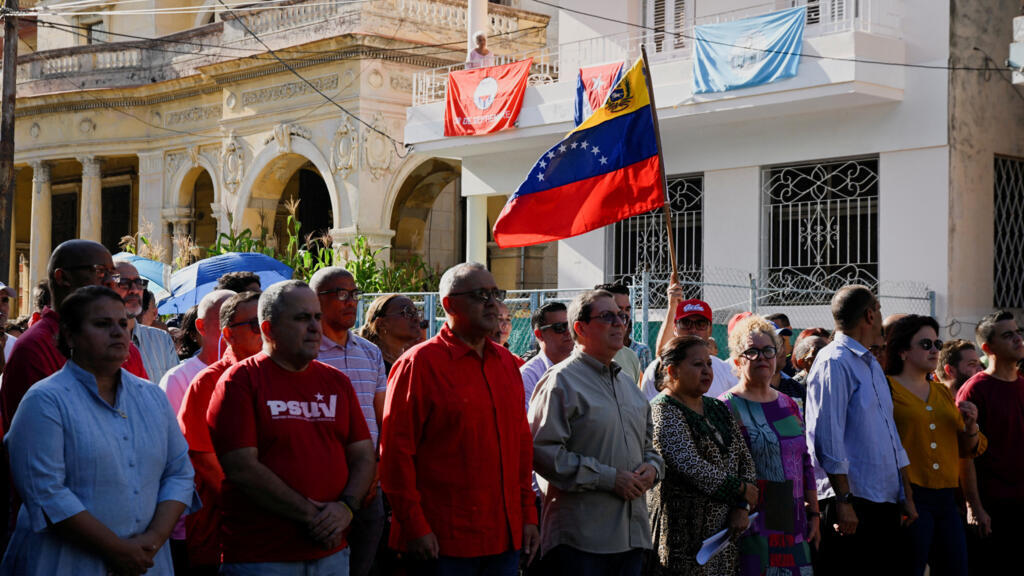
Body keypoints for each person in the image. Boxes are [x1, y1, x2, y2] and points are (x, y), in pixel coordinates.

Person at [1, 286, 196, 575]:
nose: (118, 332)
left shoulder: (152, 396)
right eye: (102, 324)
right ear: (70, 335)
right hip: (66, 564)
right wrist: (118, 550)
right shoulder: (45, 401)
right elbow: (46, 492)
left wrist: (153, 540)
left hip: (148, 561)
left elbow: (179, 473)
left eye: (123, 323)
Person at [207, 280, 375, 573]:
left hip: (331, 553)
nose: (315, 327)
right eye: (301, 318)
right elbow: (241, 467)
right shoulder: (240, 381)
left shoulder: (337, 382)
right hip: (263, 558)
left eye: (317, 317)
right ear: (269, 329)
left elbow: (363, 455)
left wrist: (346, 508)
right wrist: (315, 517)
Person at [381, 263, 538, 575]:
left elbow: (520, 448)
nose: (493, 304)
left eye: (496, 294)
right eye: (481, 295)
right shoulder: (419, 365)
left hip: (504, 540)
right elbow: (396, 456)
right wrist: (414, 525)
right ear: (449, 305)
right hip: (443, 542)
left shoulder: (507, 364)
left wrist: (528, 516)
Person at [530, 289, 664, 576]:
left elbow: (650, 449)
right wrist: (608, 478)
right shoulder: (561, 381)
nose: (619, 323)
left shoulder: (628, 385)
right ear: (580, 328)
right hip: (582, 543)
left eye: (622, 316)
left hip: (632, 539)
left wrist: (652, 469)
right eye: (607, 316)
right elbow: (542, 453)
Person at [805, 285, 917, 576]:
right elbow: (827, 438)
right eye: (879, 310)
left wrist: (905, 493)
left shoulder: (870, 364)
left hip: (883, 500)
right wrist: (843, 501)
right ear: (869, 315)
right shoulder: (834, 361)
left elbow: (890, 435)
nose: (880, 318)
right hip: (853, 504)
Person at [646, 336, 756, 575]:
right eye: (697, 364)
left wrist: (742, 506)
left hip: (723, 535)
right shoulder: (663, 410)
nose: (707, 371)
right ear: (673, 371)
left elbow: (745, 459)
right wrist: (740, 489)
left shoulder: (717, 407)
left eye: (709, 364)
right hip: (681, 537)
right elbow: (690, 465)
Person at [884, 315, 984, 576]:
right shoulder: (887, 388)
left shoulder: (941, 392)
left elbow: (967, 449)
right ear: (903, 351)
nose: (934, 350)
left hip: (946, 499)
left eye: (937, 344)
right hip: (908, 496)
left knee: (956, 569)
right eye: (926, 344)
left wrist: (971, 426)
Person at [721, 315, 819, 575]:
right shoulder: (725, 407)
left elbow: (805, 462)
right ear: (737, 360)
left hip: (794, 523)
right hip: (751, 526)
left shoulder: (789, 403)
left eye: (768, 350)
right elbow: (724, 471)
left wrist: (814, 514)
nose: (762, 357)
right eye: (752, 351)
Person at [176, 291, 263, 575]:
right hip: (224, 534)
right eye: (255, 324)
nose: (265, 330)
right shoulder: (208, 382)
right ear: (228, 334)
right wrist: (261, 508)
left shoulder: (280, 376)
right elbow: (205, 461)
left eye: (268, 321)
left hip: (278, 531)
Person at [311, 267, 387, 576]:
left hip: (369, 486)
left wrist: (376, 468)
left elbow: (383, 418)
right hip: (322, 485)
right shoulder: (307, 353)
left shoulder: (370, 352)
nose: (351, 301)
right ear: (316, 300)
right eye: (341, 294)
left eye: (354, 294)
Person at [955, 311, 1024, 574]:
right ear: (988, 348)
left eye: (1018, 332)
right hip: (992, 508)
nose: (1018, 339)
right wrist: (974, 506)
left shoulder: (1022, 385)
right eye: (1008, 335)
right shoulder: (975, 390)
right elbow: (964, 454)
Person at [642, 298, 737, 400]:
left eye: (700, 324)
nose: (693, 329)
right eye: (685, 323)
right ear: (675, 328)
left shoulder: (725, 370)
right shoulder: (656, 370)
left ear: (710, 330)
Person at [113, 260, 178, 384]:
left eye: (139, 283)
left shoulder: (162, 340)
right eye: (124, 283)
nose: (134, 290)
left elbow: (174, 389)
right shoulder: (93, 343)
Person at [519, 301, 574, 411]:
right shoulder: (528, 376)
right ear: (539, 334)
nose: (568, 332)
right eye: (559, 327)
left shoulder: (584, 366)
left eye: (569, 325)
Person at [359, 294, 423, 373]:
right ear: (381, 323)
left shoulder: (411, 362)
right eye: (407, 312)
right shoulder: (368, 366)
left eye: (416, 312)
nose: (416, 318)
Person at [597, 283, 652, 368]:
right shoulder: (586, 355)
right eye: (618, 309)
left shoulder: (633, 357)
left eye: (627, 309)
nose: (624, 316)